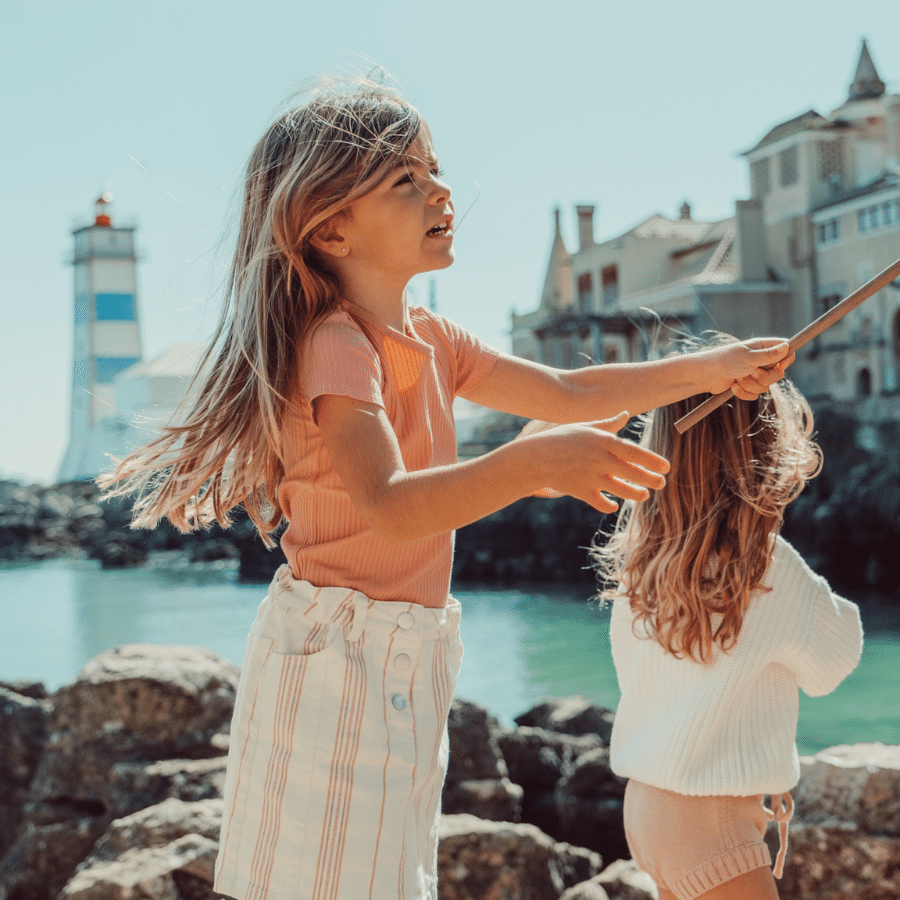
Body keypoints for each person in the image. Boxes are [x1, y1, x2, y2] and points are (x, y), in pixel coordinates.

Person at [99, 77, 795, 900]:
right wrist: (534, 466)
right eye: (406, 180)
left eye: (434, 169)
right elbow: (391, 506)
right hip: (335, 656)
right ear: (329, 227)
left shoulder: (431, 337)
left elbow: (568, 394)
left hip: (405, 648)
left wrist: (712, 368)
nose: (440, 190)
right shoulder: (335, 344)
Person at [593, 336, 864, 900]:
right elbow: (834, 660)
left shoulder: (643, 563)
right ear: (764, 451)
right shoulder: (763, 568)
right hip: (713, 823)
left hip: (648, 805)